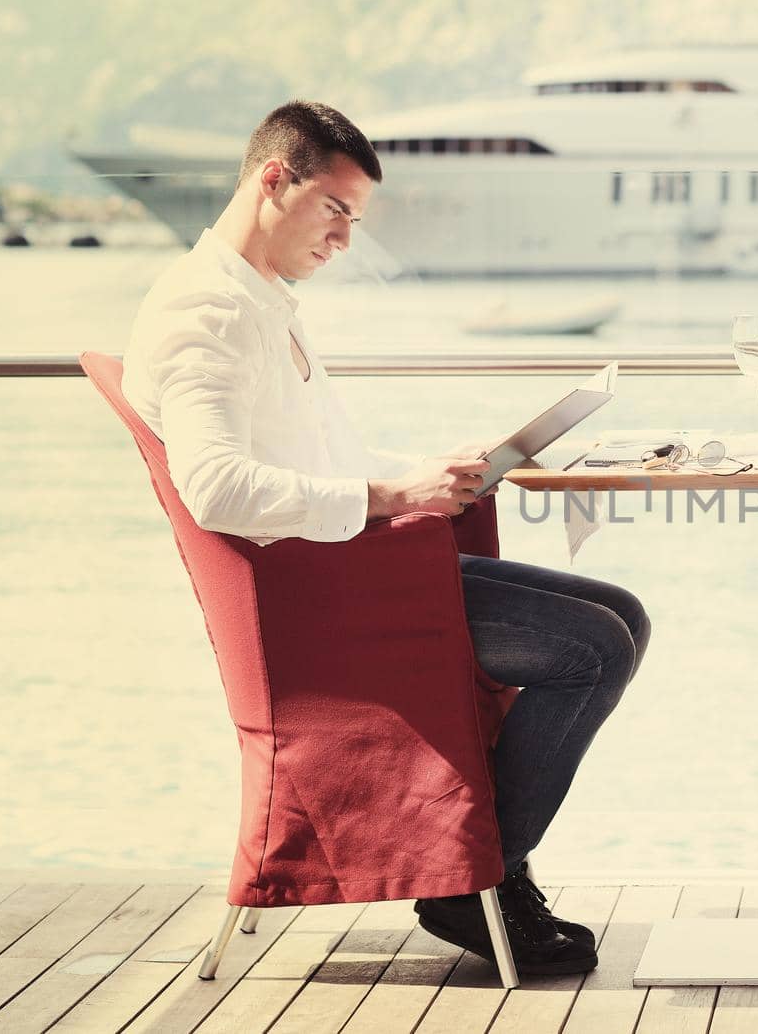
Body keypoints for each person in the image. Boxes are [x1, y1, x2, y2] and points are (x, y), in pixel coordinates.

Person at [123, 100, 647, 976]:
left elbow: (319, 459)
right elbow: (215, 489)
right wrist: (394, 493)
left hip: (344, 573)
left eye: (355, 222)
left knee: (622, 614)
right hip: (324, 607)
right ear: (273, 181)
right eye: (336, 212)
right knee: (593, 646)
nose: (344, 242)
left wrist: (434, 471)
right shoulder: (206, 317)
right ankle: (472, 877)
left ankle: (488, 868)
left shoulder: (259, 301)